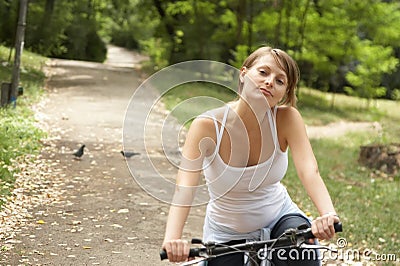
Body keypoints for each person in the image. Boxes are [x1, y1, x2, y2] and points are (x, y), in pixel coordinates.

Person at [161, 46, 340, 265]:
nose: (270, 82)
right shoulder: (207, 126)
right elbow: (185, 187)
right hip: (226, 233)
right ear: (243, 74)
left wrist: (328, 214)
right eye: (263, 72)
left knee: (300, 252)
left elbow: (309, 171)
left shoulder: (286, 119)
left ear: (284, 93)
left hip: (280, 218)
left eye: (280, 81)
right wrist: (172, 238)